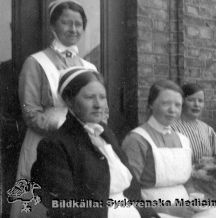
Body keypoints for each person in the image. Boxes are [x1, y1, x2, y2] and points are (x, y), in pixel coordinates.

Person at [31, 67, 158, 218]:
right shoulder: (55, 145)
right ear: (69, 101)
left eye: (102, 97)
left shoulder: (105, 133)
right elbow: (65, 206)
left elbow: (132, 192)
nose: (99, 105)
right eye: (90, 97)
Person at [17, 0, 99, 182]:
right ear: (52, 25)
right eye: (66, 23)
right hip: (46, 141)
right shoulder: (36, 62)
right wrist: (64, 131)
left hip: (83, 142)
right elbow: (30, 111)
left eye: (78, 24)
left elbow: (101, 109)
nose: (73, 29)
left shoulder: (89, 67)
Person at [122, 80, 216, 218]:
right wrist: (169, 210)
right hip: (152, 211)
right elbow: (128, 192)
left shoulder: (183, 140)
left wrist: (194, 200)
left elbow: (187, 181)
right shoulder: (137, 140)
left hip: (186, 207)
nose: (172, 110)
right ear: (151, 104)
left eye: (177, 105)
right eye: (165, 103)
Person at [171, 83, 216, 201]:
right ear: (181, 102)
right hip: (185, 187)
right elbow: (171, 164)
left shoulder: (208, 130)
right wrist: (195, 171)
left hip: (210, 185)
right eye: (191, 100)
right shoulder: (172, 129)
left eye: (200, 101)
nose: (196, 104)